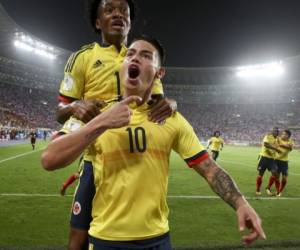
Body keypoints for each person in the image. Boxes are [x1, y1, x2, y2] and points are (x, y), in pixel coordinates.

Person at [42, 37, 266, 249]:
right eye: (130, 54)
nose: (135, 58)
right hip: (106, 240)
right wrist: (100, 123)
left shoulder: (171, 120)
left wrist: (241, 203)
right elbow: (50, 159)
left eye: (146, 56)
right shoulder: (95, 112)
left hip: (158, 240)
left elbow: (210, 170)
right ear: (122, 66)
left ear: (159, 73)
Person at [56, 0, 176, 249]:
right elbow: (60, 110)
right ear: (98, 22)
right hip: (96, 157)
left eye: (124, 10)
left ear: (130, 21)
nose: (118, 14)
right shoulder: (83, 57)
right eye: (109, 9)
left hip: (136, 157)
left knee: (137, 231)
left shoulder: (144, 58)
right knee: (78, 236)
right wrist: (75, 106)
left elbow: (158, 103)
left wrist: (171, 104)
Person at [267, 130, 293, 197]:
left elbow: (290, 147)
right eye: (282, 134)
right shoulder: (278, 138)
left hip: (284, 162)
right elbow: (272, 139)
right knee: (276, 176)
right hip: (276, 160)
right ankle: (274, 189)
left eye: (285, 134)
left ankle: (280, 190)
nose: (283, 135)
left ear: (288, 136)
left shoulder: (291, 141)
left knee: (284, 178)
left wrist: (280, 144)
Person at [256, 127, 280, 196]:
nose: (276, 132)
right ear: (272, 131)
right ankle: (258, 189)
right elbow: (266, 144)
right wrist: (275, 148)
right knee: (260, 174)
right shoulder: (268, 136)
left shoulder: (278, 139)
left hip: (272, 159)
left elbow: (280, 146)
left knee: (275, 173)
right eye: (274, 131)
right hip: (263, 157)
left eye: (277, 131)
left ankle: (268, 188)